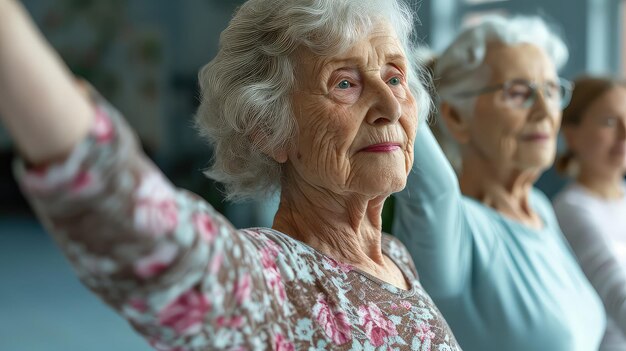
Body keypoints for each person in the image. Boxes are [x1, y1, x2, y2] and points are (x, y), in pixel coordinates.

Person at [0, 0, 462, 350]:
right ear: (269, 131)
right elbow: (145, 232)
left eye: (396, 77)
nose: (389, 107)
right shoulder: (277, 285)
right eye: (345, 83)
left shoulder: (395, 259)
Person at [392, 15, 606, 351]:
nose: (545, 111)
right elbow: (434, 184)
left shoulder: (538, 207)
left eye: (551, 90)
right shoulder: (448, 226)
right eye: (519, 93)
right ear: (456, 117)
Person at [553, 76, 626, 351]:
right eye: (609, 122)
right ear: (571, 134)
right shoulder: (572, 208)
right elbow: (616, 291)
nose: (624, 133)